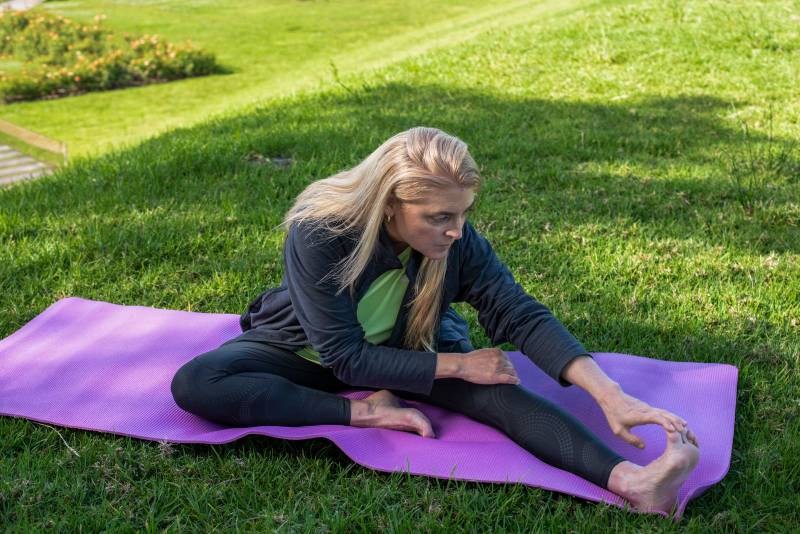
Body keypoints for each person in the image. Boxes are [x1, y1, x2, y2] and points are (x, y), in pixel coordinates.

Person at [171, 127, 699, 514]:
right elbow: (344, 358)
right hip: (305, 350)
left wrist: (609, 395)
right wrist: (456, 367)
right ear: (389, 204)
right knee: (198, 382)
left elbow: (518, 312)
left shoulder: (458, 243)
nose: (456, 231)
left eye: (463, 213)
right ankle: (367, 411)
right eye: (439, 217)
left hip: (414, 347)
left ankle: (633, 483)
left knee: (498, 394)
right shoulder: (321, 233)